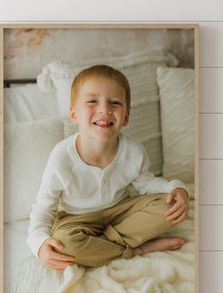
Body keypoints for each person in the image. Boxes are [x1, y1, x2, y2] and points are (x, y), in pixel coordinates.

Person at [27, 64, 189, 272]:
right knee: (63, 243)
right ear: (74, 114)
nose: (105, 109)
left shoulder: (133, 150)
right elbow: (44, 207)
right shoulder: (61, 157)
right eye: (92, 101)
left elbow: (147, 184)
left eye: (115, 102)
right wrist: (38, 243)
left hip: (121, 212)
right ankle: (136, 249)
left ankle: (103, 246)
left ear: (126, 117)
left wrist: (176, 189)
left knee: (170, 206)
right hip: (78, 220)